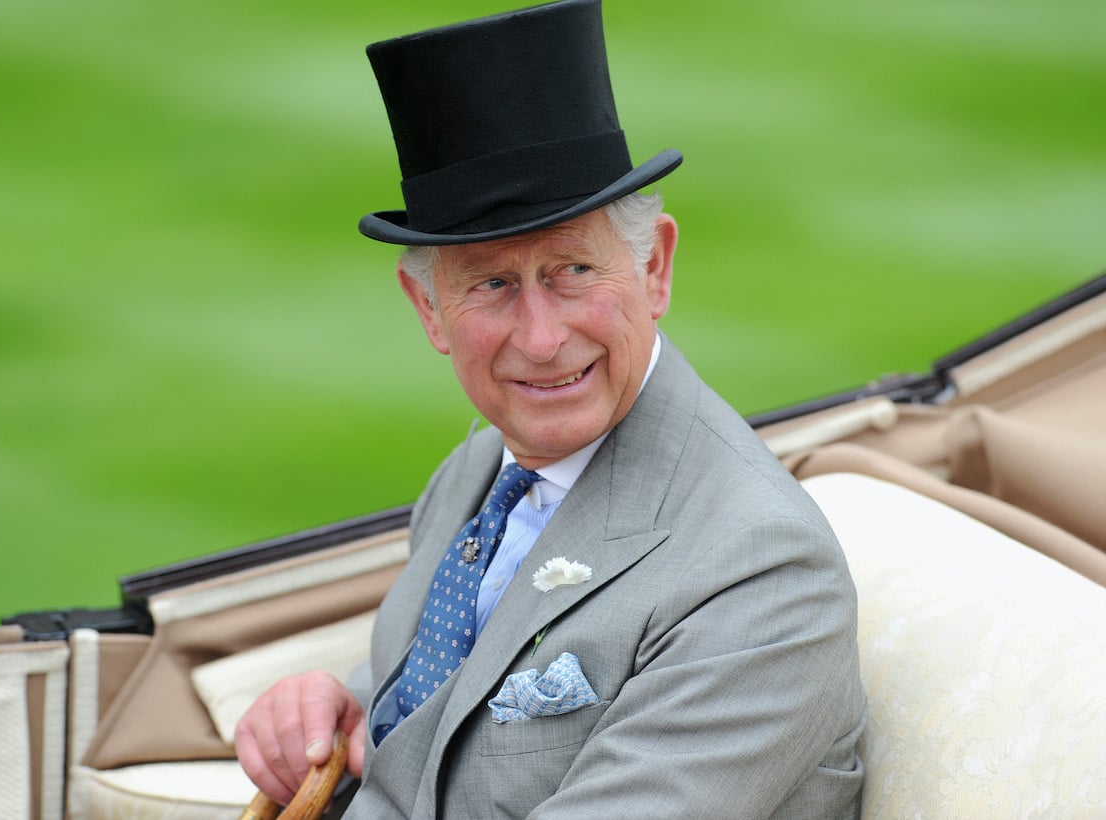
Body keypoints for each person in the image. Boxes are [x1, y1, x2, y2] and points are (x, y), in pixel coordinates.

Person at [235, 0, 866, 816]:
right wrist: (344, 713)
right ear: (430, 311)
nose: (540, 338)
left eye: (572, 270)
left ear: (655, 268)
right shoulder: (478, 474)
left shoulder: (762, 576)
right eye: (492, 284)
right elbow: (443, 717)